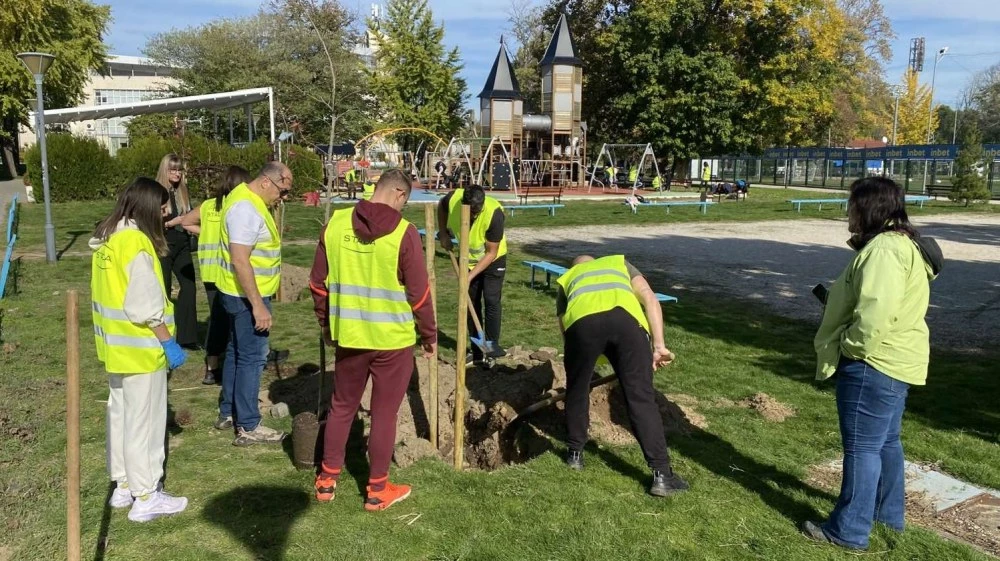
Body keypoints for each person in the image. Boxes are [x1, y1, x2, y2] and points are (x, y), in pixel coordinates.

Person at [803, 177, 943, 550]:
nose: (848, 212)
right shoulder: (901, 244)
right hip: (895, 361)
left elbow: (875, 313)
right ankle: (886, 514)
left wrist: (850, 348)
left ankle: (847, 530)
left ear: (868, 208)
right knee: (886, 442)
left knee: (862, 448)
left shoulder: (883, 249)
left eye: (851, 205)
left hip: (873, 363)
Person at [308, 169, 437, 511]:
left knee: (342, 406)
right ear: (398, 193)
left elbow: (318, 284)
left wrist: (326, 324)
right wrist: (429, 335)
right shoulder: (404, 233)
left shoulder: (336, 224)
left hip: (349, 335)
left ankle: (326, 479)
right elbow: (419, 293)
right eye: (405, 201)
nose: (403, 208)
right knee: (384, 414)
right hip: (392, 341)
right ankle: (378, 489)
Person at [89, 177, 189, 522]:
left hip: (115, 349)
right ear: (148, 208)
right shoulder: (136, 245)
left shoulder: (109, 239)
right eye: (162, 209)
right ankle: (146, 495)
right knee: (143, 423)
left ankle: (123, 484)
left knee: (120, 416)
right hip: (142, 352)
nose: (165, 216)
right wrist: (168, 343)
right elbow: (145, 306)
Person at [554, 254, 688, 497]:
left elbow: (565, 326)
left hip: (582, 329)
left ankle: (574, 455)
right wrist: (658, 346)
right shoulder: (618, 263)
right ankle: (661, 476)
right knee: (640, 397)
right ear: (595, 261)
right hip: (626, 323)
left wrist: (583, 360)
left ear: (575, 267)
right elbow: (649, 297)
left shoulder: (568, 278)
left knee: (577, 389)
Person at [214, 162, 292, 446]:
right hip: (247, 297)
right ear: (265, 183)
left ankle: (229, 412)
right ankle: (248, 424)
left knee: (237, 352)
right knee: (253, 357)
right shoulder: (246, 209)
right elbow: (240, 259)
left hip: (241, 294)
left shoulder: (246, 199)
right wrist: (258, 305)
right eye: (282, 191)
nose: (282, 198)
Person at [181, 165, 250, 385]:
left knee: (217, 319)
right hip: (228, 270)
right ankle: (234, 360)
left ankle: (212, 367)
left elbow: (185, 222)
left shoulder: (209, 205)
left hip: (209, 271)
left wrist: (205, 233)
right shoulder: (237, 207)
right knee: (232, 318)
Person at [437, 184, 507, 366]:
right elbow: (441, 206)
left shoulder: (494, 213)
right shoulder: (453, 199)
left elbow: (491, 253)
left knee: (491, 301)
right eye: (471, 212)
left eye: (477, 212)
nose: (474, 215)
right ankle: (477, 353)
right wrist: (443, 232)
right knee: (471, 304)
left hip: (493, 261)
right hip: (468, 260)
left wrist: (468, 277)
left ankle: (491, 350)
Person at [155, 154, 199, 349]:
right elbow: (150, 222)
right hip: (163, 244)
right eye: (173, 169)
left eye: (180, 170)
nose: (177, 173)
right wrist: (171, 223)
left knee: (189, 287)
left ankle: (187, 337)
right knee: (162, 291)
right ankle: (163, 337)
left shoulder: (183, 192)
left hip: (182, 243)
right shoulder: (157, 192)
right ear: (165, 170)